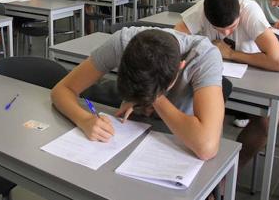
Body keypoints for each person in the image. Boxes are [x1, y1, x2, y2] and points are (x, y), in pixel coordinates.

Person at [51, 27, 224, 160]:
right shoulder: (122, 43)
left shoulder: (205, 56)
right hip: (126, 135)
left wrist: (153, 97)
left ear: (180, 67)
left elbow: (206, 147)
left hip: (180, 142)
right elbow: (62, 90)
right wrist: (85, 119)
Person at [174, 0, 279, 168]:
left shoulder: (250, 11)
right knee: (187, 111)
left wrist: (231, 54)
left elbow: (278, 62)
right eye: (219, 29)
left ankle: (228, 175)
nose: (226, 34)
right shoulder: (203, 8)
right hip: (214, 79)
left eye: (232, 27)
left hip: (252, 79)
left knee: (267, 122)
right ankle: (193, 169)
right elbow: (174, 39)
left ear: (239, 13)